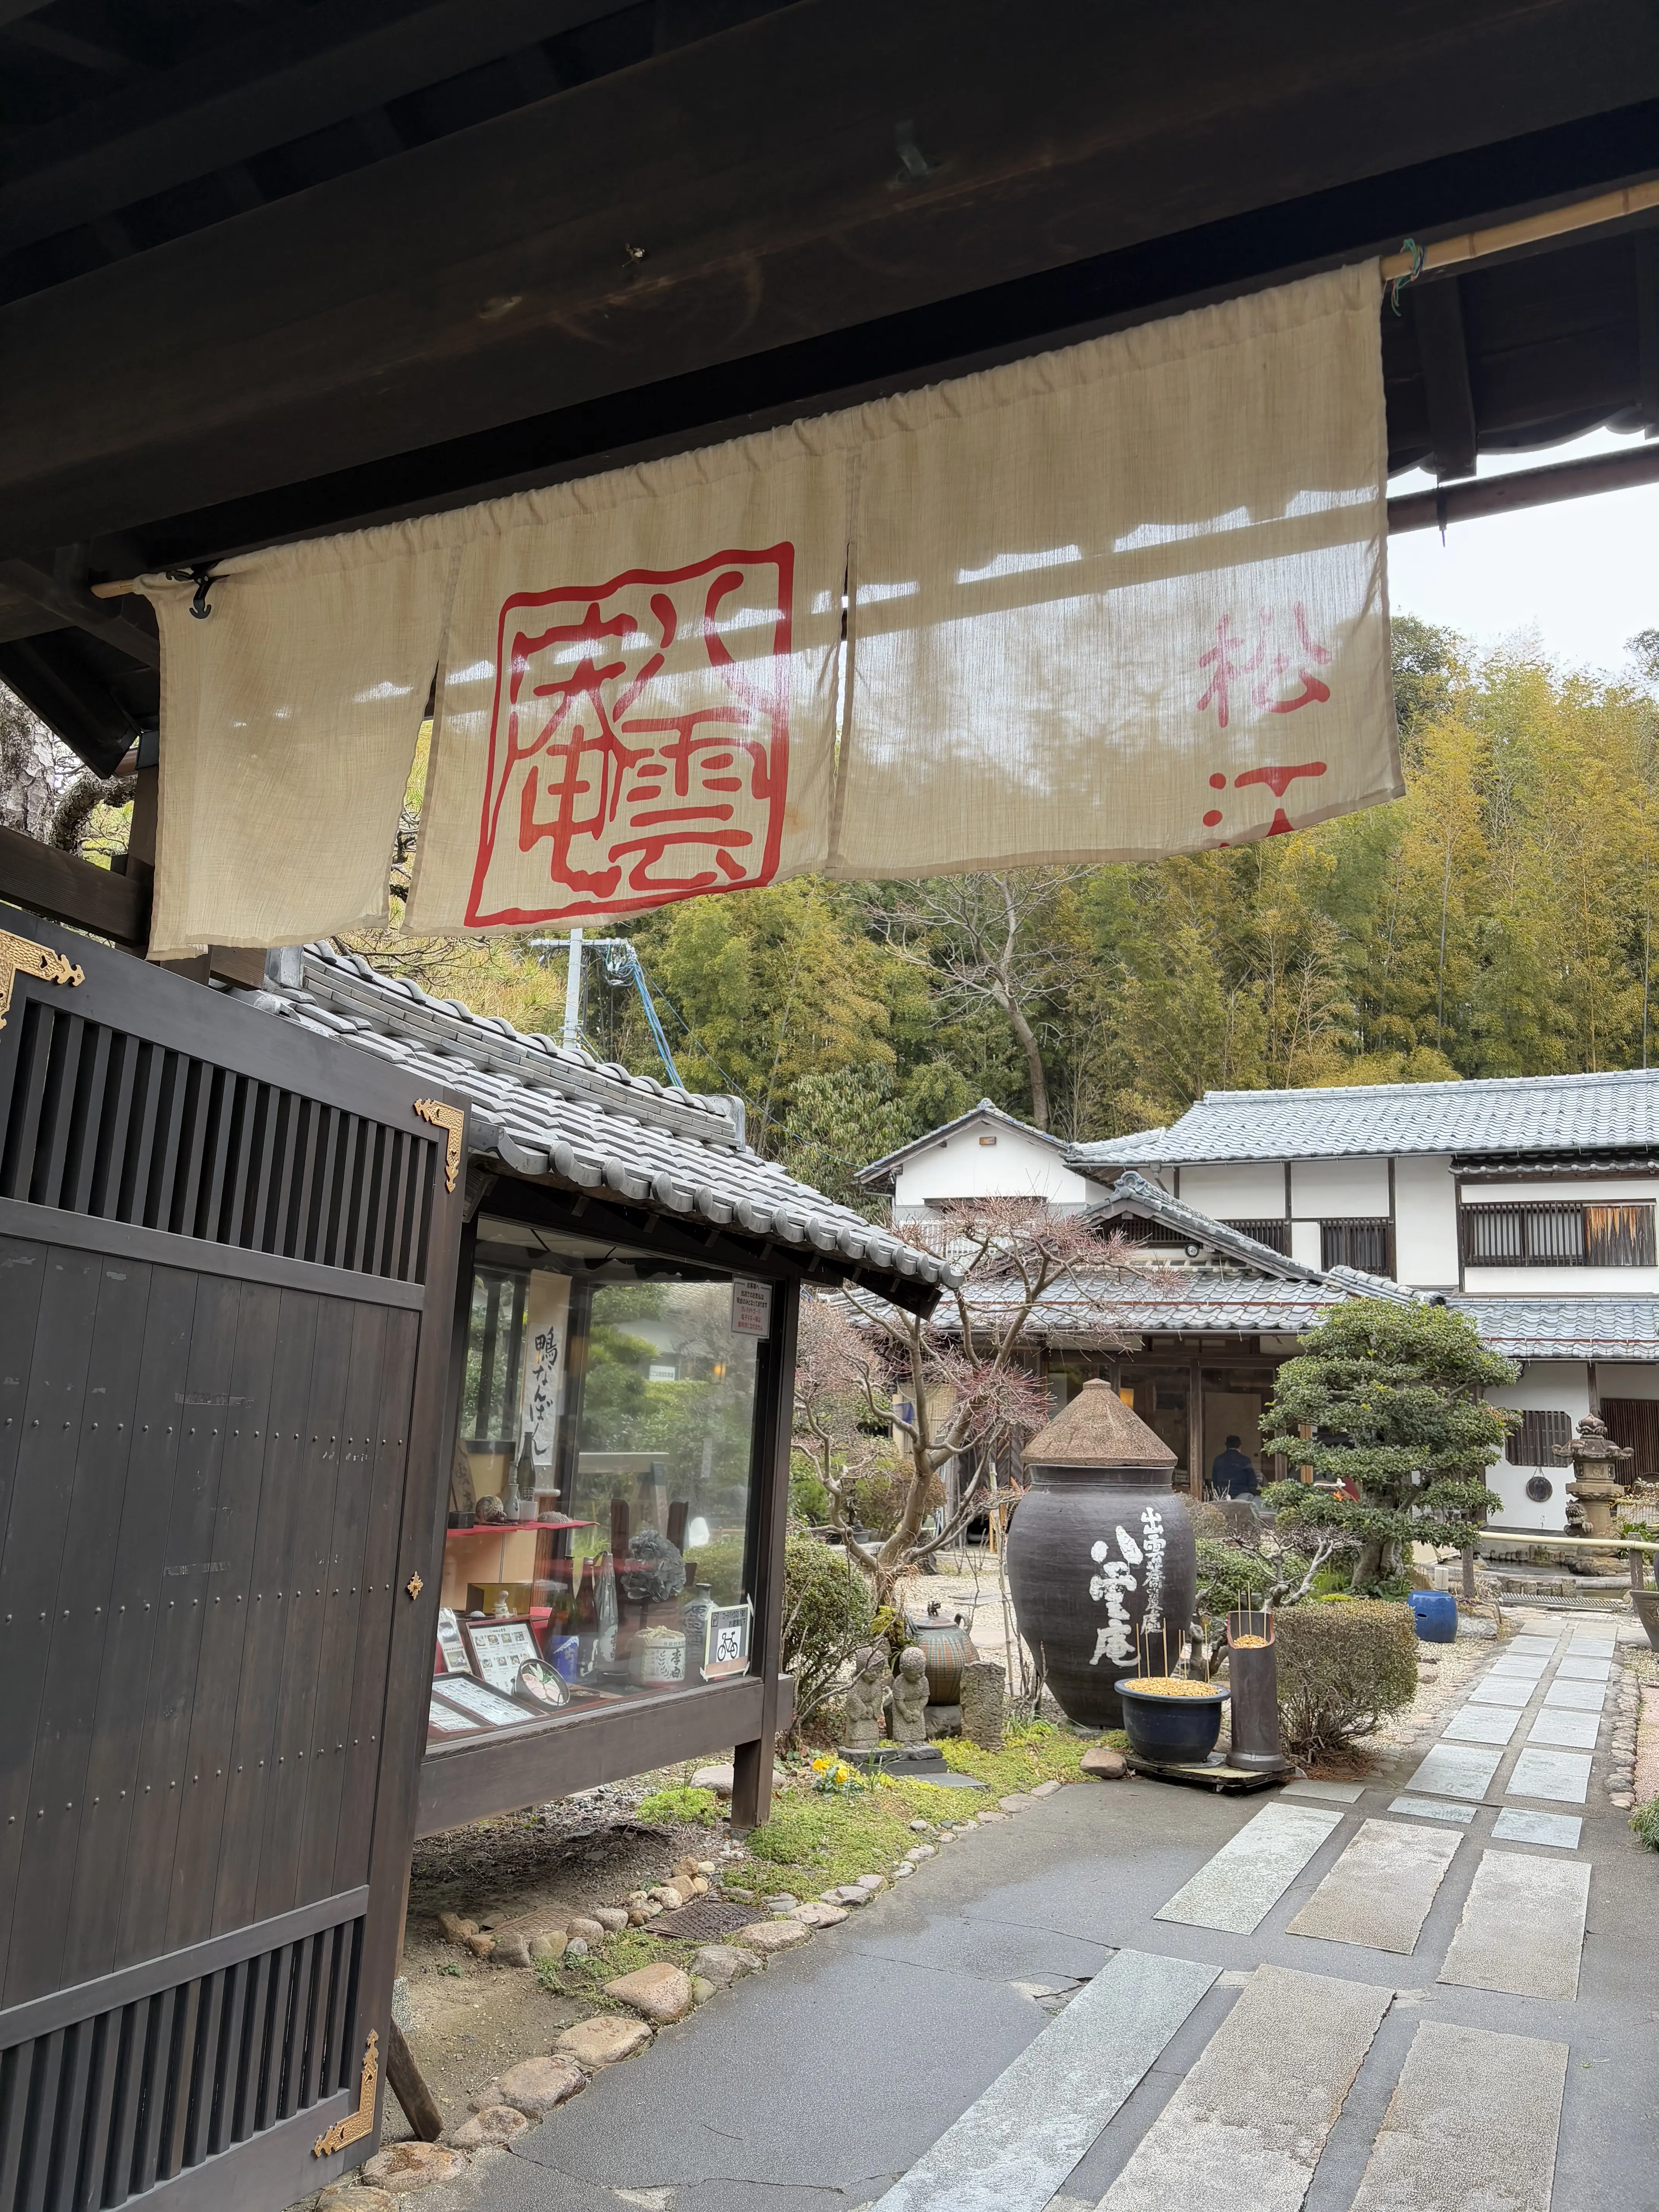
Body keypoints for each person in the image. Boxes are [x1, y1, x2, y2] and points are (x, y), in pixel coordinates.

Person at [1210, 1434, 1259, 1500]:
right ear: (1240, 1447)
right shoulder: (1245, 1460)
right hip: (1242, 1495)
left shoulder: (1218, 1460)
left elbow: (1214, 1482)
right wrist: (1251, 1493)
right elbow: (1253, 1482)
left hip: (1223, 1495)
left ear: (1226, 1446)